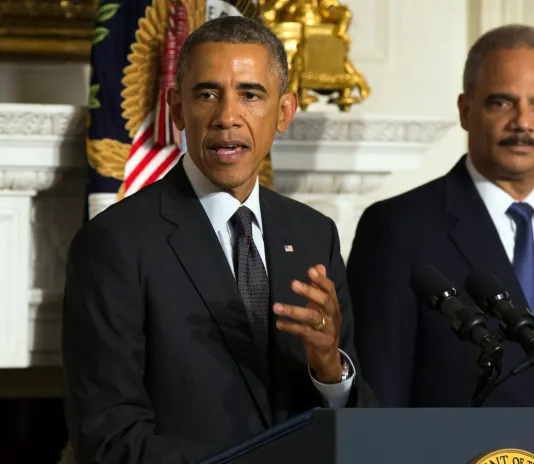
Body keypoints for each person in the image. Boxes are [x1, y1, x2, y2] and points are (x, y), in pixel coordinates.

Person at [61, 15, 376, 464]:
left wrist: (331, 371)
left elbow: (355, 422)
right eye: (207, 94)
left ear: (285, 111)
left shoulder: (313, 234)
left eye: (250, 95)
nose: (227, 117)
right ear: (175, 108)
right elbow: (109, 439)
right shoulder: (114, 244)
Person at [346, 24, 534, 408]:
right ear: (466, 110)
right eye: (501, 102)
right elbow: (379, 398)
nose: (523, 122)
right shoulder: (397, 229)